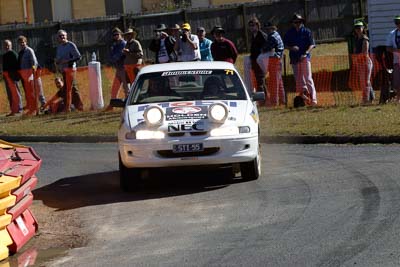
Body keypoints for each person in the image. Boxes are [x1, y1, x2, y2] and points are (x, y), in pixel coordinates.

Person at [283, 13, 317, 106]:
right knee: (299, 81)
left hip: (305, 58)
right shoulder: (289, 33)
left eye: (299, 22)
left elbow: (312, 44)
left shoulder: (307, 31)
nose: (297, 23)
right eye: (295, 22)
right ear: (293, 23)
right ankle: (304, 99)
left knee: (308, 78)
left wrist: (306, 53)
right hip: (294, 59)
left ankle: (314, 100)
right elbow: (284, 45)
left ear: (302, 22)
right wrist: (291, 48)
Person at [257, 21, 286, 106]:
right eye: (267, 29)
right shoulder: (277, 34)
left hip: (274, 59)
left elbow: (268, 47)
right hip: (279, 59)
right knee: (279, 82)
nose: (268, 30)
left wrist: (262, 50)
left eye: (269, 29)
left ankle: (274, 102)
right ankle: (282, 100)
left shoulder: (272, 36)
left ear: (273, 28)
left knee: (274, 82)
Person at [55, 29, 83, 112]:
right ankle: (71, 106)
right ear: (58, 38)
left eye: (63, 35)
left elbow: (78, 57)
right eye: (60, 36)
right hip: (63, 70)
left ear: (66, 36)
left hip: (71, 69)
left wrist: (67, 61)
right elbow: (59, 59)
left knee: (72, 88)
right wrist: (57, 61)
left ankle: (78, 106)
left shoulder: (71, 45)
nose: (62, 37)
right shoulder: (59, 47)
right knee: (68, 88)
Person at [18, 35, 46, 115]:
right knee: (30, 92)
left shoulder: (29, 50)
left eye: (23, 42)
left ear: (26, 42)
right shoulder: (20, 53)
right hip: (25, 75)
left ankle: (44, 105)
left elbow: (34, 62)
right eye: (20, 43)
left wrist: (33, 69)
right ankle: (33, 108)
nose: (22, 44)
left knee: (39, 91)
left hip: (33, 74)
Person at [105, 27, 128, 111]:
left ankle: (127, 105)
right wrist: (112, 58)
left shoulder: (123, 44)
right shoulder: (115, 45)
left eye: (117, 34)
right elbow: (110, 56)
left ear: (120, 34)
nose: (115, 36)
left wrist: (112, 58)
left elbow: (117, 56)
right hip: (118, 69)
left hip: (124, 68)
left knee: (126, 88)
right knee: (115, 87)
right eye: (114, 35)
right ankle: (112, 105)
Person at [352, 21, 374, 104]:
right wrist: (355, 59)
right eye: (356, 28)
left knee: (367, 81)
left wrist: (356, 57)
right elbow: (354, 51)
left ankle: (366, 99)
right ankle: (370, 98)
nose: (358, 29)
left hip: (366, 62)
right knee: (363, 81)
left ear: (363, 28)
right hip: (359, 62)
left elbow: (365, 53)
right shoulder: (356, 39)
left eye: (359, 27)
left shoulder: (365, 39)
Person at [248, 17, 268, 95]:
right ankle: (264, 97)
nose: (252, 27)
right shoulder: (253, 35)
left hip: (260, 60)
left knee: (260, 79)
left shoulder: (262, 35)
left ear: (257, 25)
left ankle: (263, 98)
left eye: (253, 25)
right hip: (254, 59)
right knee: (258, 79)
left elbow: (266, 47)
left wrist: (260, 55)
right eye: (250, 26)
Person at [2, 40, 22, 116]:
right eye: (5, 45)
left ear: (11, 45)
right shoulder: (4, 55)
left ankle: (19, 109)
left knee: (16, 93)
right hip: (7, 76)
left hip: (13, 76)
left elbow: (18, 65)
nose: (7, 46)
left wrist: (16, 76)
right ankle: (13, 109)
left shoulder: (13, 54)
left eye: (8, 45)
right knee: (9, 94)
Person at [386, 15, 400, 103]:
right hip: (396, 61)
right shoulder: (392, 34)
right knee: (397, 81)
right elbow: (388, 48)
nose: (398, 24)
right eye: (397, 23)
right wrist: (397, 51)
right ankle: (398, 98)